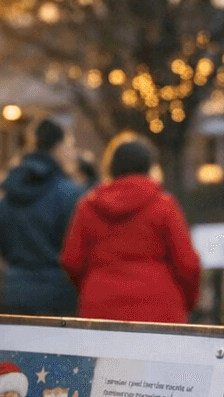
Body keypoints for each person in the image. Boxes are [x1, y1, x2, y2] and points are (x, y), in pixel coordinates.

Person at [60, 133, 201, 323]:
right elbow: (188, 264)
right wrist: (187, 303)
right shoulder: (164, 205)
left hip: (100, 310)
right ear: (150, 167)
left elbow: (71, 260)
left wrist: (93, 285)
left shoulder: (87, 206)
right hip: (159, 309)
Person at [0, 117, 85, 316]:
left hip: (14, 291)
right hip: (58, 296)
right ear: (58, 146)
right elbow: (77, 250)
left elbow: (2, 243)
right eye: (70, 145)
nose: (72, 152)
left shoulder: (7, 191)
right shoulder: (69, 193)